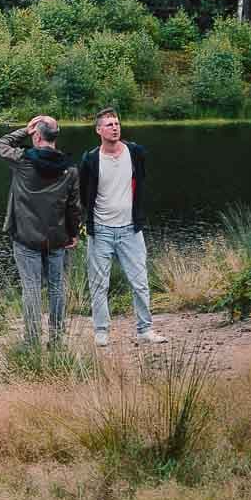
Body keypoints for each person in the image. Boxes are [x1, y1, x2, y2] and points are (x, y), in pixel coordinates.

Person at [77, 107, 167, 346]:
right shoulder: (91, 159)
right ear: (98, 130)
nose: (115, 127)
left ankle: (145, 330)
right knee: (99, 284)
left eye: (117, 123)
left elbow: (142, 182)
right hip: (101, 230)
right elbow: (84, 194)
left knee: (140, 281)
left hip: (130, 229)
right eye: (109, 124)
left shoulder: (135, 153)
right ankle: (101, 331)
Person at [0, 114, 82, 348]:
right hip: (57, 239)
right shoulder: (70, 169)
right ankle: (57, 339)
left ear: (38, 135)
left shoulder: (22, 161)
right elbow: (74, 206)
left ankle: (31, 342)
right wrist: (74, 234)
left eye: (34, 132)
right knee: (56, 288)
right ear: (55, 137)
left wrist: (24, 130)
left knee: (31, 289)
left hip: (26, 238)